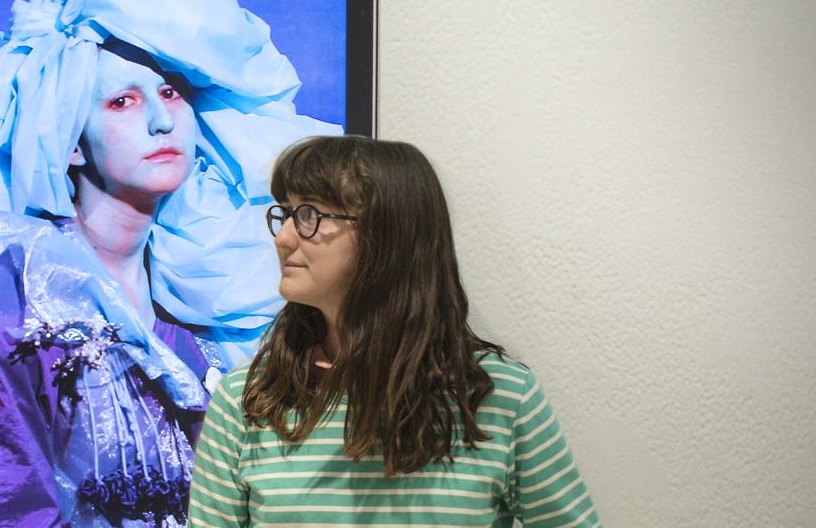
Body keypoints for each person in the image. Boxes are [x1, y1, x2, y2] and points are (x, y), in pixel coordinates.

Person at [0, 0, 340, 526]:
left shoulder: (206, 284)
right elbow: (5, 508)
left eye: (169, 92)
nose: (161, 120)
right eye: (121, 102)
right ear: (70, 140)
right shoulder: (14, 309)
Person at [186, 136, 604, 527]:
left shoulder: (500, 395)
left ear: (386, 234)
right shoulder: (250, 399)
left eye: (309, 214)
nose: (283, 238)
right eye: (286, 213)